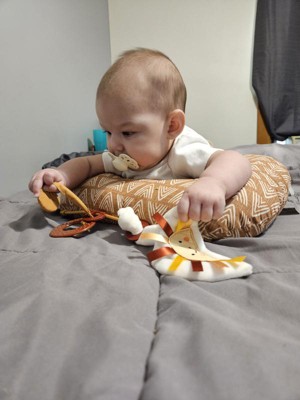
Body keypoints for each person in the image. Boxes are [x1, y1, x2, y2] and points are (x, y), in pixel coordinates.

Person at [29, 48, 252, 222]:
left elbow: (235, 160)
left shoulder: (183, 150)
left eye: (127, 132)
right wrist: (62, 175)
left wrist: (214, 182)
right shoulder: (121, 157)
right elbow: (87, 164)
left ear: (171, 126)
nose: (114, 144)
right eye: (108, 131)